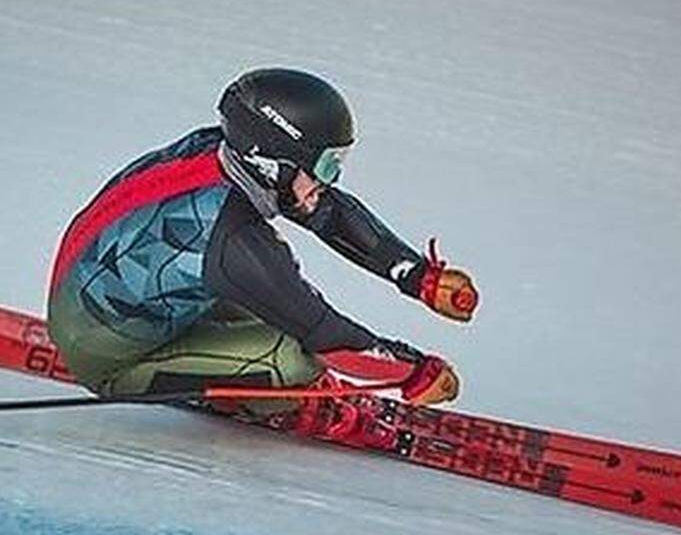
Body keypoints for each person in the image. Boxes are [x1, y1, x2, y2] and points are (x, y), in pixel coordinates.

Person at [46, 68, 478, 441]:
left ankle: (213, 357)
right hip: (104, 355)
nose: (331, 179)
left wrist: (418, 277)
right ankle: (285, 403)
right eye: (327, 165)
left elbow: (328, 214)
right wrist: (415, 373)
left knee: (267, 294)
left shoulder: (220, 151)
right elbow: (330, 339)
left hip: (104, 301)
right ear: (273, 164)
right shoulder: (233, 241)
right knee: (292, 359)